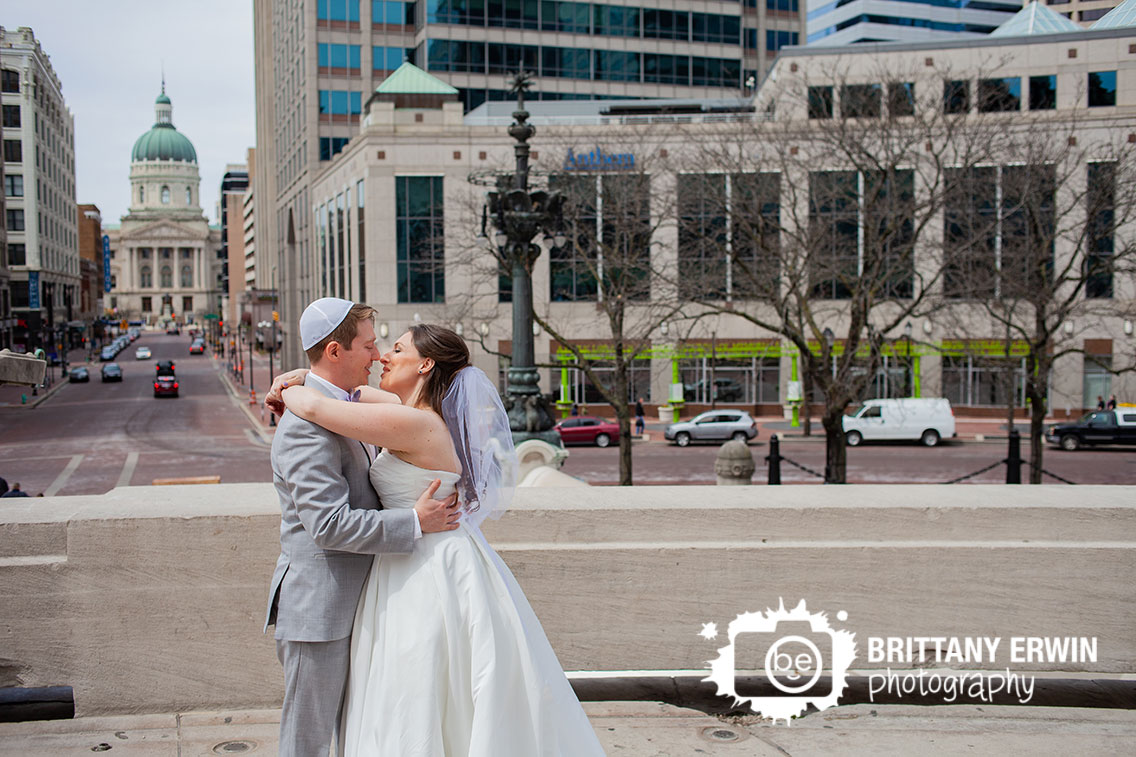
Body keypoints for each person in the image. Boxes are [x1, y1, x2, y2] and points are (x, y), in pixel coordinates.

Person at [270, 323, 604, 756]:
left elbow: (317, 407)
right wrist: (299, 375)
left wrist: (286, 387)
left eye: (396, 349)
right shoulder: (409, 409)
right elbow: (342, 395)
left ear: (425, 364)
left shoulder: (412, 422)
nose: (382, 357)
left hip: (425, 564)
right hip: (414, 556)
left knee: (418, 686)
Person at [263, 298, 462, 757]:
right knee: (306, 740)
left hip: (366, 602)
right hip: (320, 609)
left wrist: (295, 381)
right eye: (369, 346)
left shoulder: (343, 407)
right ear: (335, 352)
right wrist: (414, 520)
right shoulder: (304, 427)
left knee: (358, 731)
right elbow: (328, 525)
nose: (377, 356)